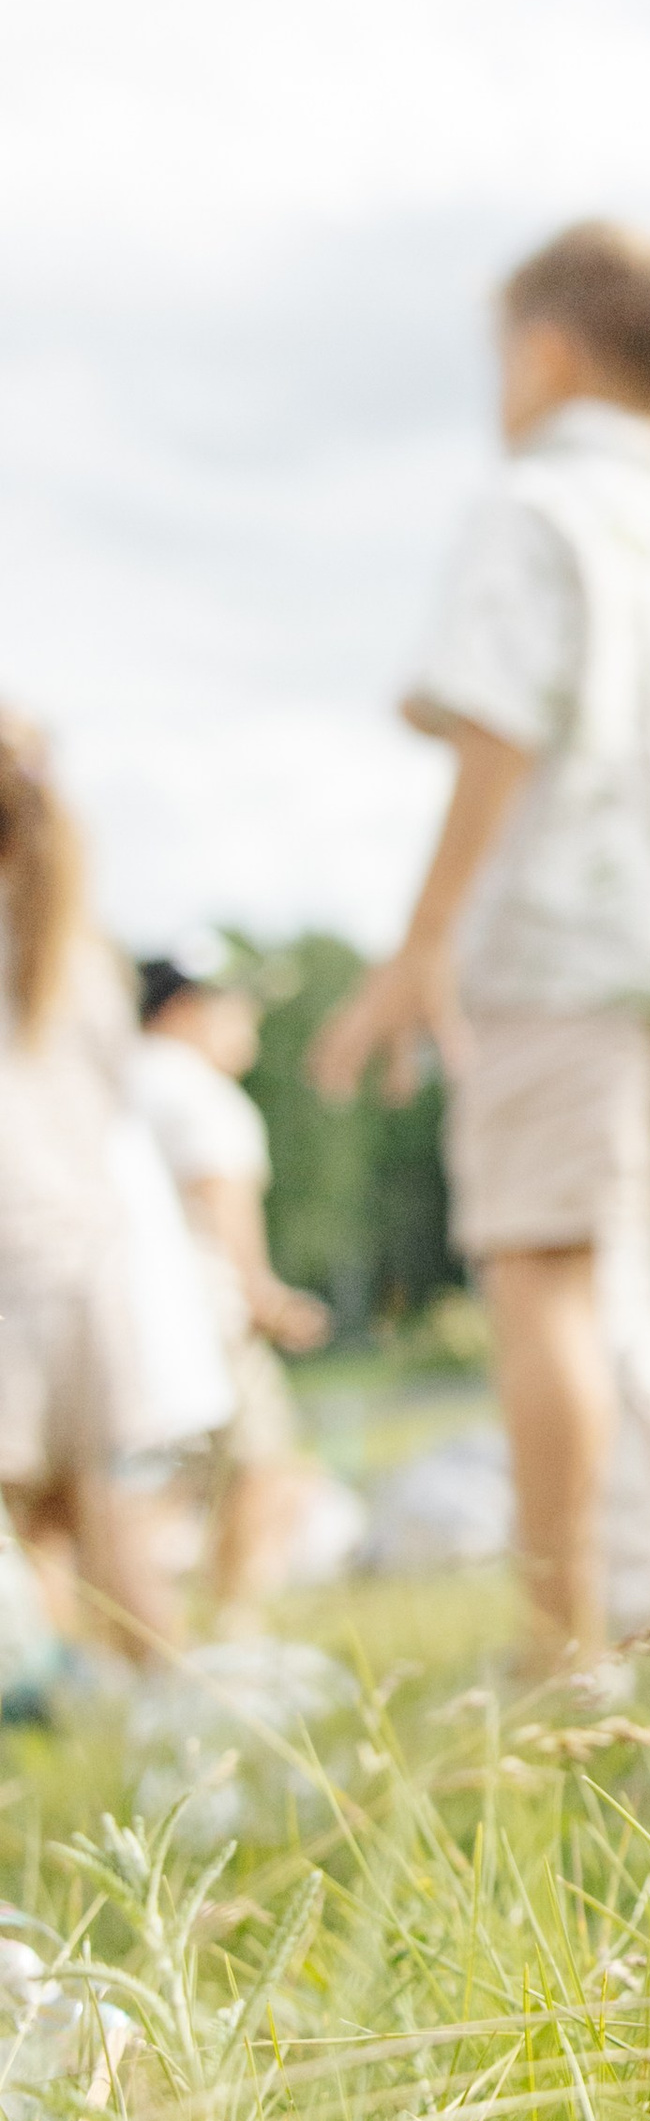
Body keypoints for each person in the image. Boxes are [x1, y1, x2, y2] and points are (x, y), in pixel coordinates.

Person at [312, 222, 650, 1672]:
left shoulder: (532, 507)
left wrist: (423, 942)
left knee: (544, 1276)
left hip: (561, 947)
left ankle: (561, 1645)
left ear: (541, 352)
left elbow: (499, 722)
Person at [0, 713, 190, 1666]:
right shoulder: (80, 948)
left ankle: (57, 1687)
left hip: (12, 1257)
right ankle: (163, 1708)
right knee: (111, 1515)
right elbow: (117, 1101)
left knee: (36, 1518)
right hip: (87, 1251)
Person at [131, 941, 332, 1627]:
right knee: (261, 1465)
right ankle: (231, 1624)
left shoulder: (115, 1079)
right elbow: (222, 1209)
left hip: (121, 1319)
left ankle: (113, 1636)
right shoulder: (202, 1094)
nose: (249, 1021)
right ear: (188, 1008)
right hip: (205, 1318)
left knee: (138, 1485)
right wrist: (266, 1299)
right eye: (237, 1006)